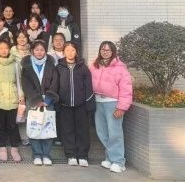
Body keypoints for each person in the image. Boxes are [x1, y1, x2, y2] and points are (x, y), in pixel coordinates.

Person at [90, 41, 133, 173]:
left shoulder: (120, 68)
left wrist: (121, 107)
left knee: (115, 133)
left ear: (113, 52)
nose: (105, 52)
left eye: (108, 50)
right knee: (102, 132)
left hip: (113, 103)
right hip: (98, 102)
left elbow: (126, 89)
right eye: (103, 49)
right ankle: (110, 158)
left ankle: (119, 161)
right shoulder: (94, 65)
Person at [21, 40, 59, 166]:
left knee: (48, 127)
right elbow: (26, 84)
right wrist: (37, 100)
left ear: (45, 51)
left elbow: (55, 82)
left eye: (42, 50)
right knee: (34, 127)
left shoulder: (51, 64)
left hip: (48, 101)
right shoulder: (26, 65)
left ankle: (46, 154)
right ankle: (37, 154)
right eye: (36, 49)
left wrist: (47, 99)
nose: (39, 52)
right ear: (32, 51)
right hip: (33, 101)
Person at [56, 41, 94, 167]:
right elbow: (56, 86)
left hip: (81, 106)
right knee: (67, 131)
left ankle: (82, 155)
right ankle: (71, 155)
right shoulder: (59, 67)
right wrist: (58, 102)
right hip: (64, 106)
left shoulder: (83, 67)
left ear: (76, 52)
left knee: (83, 131)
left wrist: (89, 103)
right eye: (67, 50)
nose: (70, 53)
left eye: (72, 50)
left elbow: (89, 87)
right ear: (63, 52)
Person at [0, 40, 23, 162]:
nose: (4, 50)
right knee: (0, 125)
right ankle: (2, 148)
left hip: (13, 97)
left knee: (13, 125)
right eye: (1, 48)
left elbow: (19, 81)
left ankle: (14, 149)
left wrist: (21, 95)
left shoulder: (15, 63)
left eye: (6, 48)